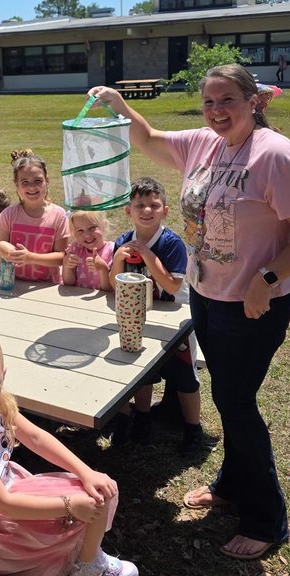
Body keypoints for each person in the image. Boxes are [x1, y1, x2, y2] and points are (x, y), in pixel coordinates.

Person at [89, 64, 290, 561]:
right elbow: (151, 137)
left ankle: (267, 518)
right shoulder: (203, 143)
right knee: (229, 396)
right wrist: (119, 104)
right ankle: (230, 487)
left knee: (237, 403)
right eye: (209, 102)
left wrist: (266, 280)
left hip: (253, 303)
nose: (217, 111)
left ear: (254, 101)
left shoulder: (277, 155)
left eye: (228, 100)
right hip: (206, 294)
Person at [0, 325, 138, 576]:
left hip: (8, 487)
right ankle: (86, 568)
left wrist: (86, 471)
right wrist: (69, 505)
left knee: (99, 489)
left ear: (3, 375)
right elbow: (4, 504)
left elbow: (35, 436)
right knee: (85, 505)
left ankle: (87, 560)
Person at [108, 178, 201, 449]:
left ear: (165, 210)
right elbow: (116, 283)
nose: (147, 210)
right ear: (129, 210)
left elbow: (173, 284)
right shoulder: (124, 241)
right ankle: (142, 418)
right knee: (142, 372)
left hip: (175, 316)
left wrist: (149, 256)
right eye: (140, 205)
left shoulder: (171, 243)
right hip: (140, 314)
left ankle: (193, 430)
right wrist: (116, 259)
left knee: (185, 374)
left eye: (154, 205)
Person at [0, 149, 69, 284]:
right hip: (14, 285)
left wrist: (30, 258)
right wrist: (3, 248)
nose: (32, 187)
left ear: (47, 181)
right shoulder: (9, 214)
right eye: (25, 182)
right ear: (16, 184)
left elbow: (62, 257)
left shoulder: (59, 215)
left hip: (48, 287)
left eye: (37, 181)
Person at [62, 211, 113, 291]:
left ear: (104, 225)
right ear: (74, 233)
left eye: (92, 228)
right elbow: (69, 283)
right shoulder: (76, 248)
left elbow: (108, 289)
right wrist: (66, 265)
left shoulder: (112, 250)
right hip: (76, 299)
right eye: (80, 230)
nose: (87, 235)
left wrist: (103, 269)